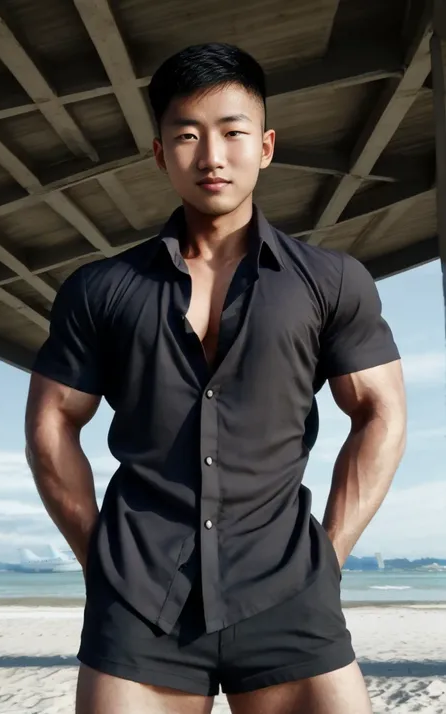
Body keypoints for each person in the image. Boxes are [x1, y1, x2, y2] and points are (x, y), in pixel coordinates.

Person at [24, 43, 407, 714]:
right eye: (187, 136)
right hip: (140, 600)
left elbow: (381, 411)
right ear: (159, 152)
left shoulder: (330, 281)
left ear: (264, 146)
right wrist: (101, 562)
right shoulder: (102, 289)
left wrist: (330, 554)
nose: (211, 156)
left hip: (288, 591)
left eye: (232, 132)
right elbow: (52, 419)